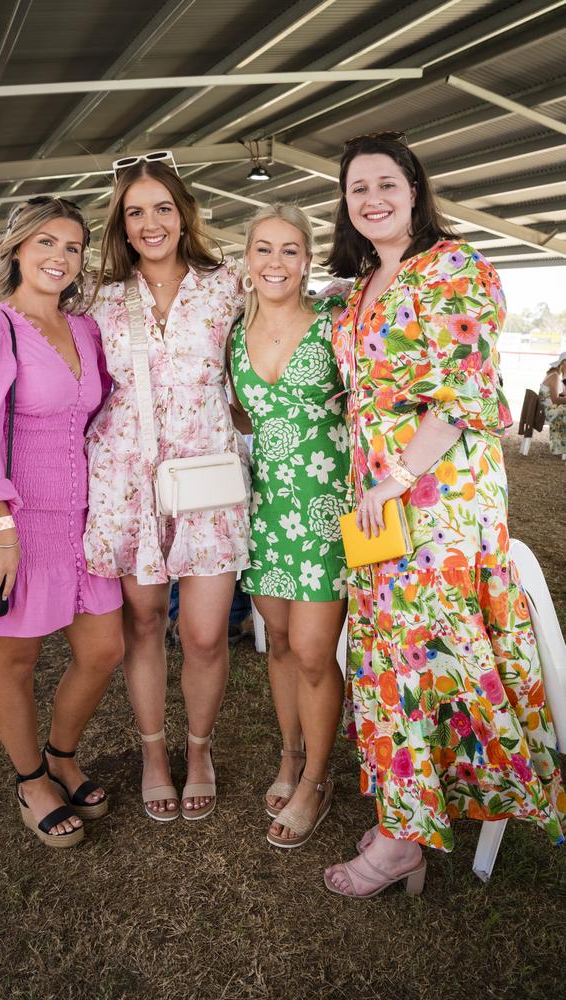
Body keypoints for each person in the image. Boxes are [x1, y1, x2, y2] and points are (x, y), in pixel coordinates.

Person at [324, 131, 565, 897]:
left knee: (425, 661)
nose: (373, 199)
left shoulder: (455, 268)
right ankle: (409, 813)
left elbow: (465, 395)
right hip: (382, 502)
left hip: (438, 503)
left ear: (417, 190)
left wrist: (396, 475)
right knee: (392, 662)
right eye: (358, 187)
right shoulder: (367, 278)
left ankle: (402, 837)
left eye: (387, 184)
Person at [0, 197, 124, 848]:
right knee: (15, 658)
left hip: (84, 518)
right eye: (46, 242)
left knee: (104, 651)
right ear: (17, 247)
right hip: (15, 520)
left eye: (72, 247)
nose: (59, 257)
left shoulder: (86, 329)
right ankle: (30, 778)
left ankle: (63, 754)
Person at [85, 153, 249, 822]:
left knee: (206, 635)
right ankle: (155, 752)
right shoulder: (94, 297)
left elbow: (273, 352)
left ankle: (199, 748)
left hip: (206, 477)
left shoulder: (229, 284)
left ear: (184, 214)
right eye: (135, 212)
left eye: (161, 208)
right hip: (125, 481)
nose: (150, 223)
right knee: (144, 622)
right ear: (121, 226)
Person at [228, 204, 349, 848]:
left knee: (311, 650)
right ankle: (289, 756)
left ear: (308, 259)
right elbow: (245, 416)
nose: (276, 262)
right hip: (267, 505)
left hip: (327, 508)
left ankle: (317, 781)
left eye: (290, 250)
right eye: (264, 250)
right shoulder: (232, 331)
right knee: (276, 642)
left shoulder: (336, 321)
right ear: (246, 259)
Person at [539, 352, 566, 458]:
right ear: (563, 364)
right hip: (549, 411)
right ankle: (561, 447)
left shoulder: (555, 375)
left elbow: (562, 394)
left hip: (548, 408)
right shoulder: (554, 376)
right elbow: (555, 399)